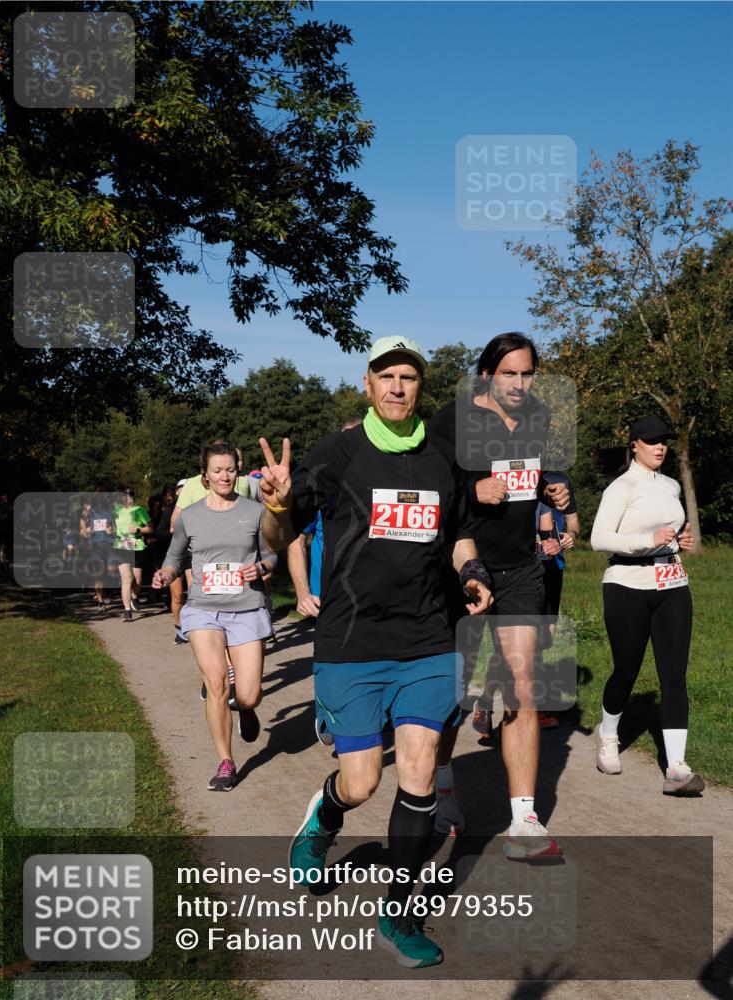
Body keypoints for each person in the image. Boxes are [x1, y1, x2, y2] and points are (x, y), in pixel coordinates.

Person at [257, 337, 492, 968]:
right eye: (385, 376)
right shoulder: (336, 455)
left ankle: (399, 910)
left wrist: (473, 575)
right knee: (362, 781)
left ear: (420, 387)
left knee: (417, 775)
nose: (396, 387)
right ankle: (325, 817)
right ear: (367, 384)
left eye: (408, 377)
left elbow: (459, 534)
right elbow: (280, 533)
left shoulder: (444, 458)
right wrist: (278, 505)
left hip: (426, 640)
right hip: (352, 642)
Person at [427, 332, 569, 852]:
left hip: (521, 569)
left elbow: (529, 477)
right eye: (509, 373)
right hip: (461, 570)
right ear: (487, 374)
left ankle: (524, 820)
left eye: (528, 373)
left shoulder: (537, 419)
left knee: (524, 688)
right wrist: (471, 490)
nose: (520, 383)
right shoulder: (453, 418)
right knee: (451, 695)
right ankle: (441, 787)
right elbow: (428, 482)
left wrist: (553, 487)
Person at [153, 442, 277, 792]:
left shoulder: (255, 512)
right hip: (203, 610)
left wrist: (263, 567)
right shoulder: (190, 517)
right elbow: (174, 559)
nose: (225, 476)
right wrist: (165, 574)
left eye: (230, 469)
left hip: (247, 608)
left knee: (248, 694)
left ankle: (248, 708)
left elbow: (271, 555)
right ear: (204, 475)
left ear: (238, 471)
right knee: (217, 684)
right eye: (217, 470)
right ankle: (226, 761)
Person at [591, 415, 703, 796]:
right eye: (652, 441)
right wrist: (647, 539)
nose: (660, 447)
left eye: (664, 441)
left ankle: (676, 767)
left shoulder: (671, 485)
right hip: (627, 585)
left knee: (674, 673)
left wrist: (677, 542)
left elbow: (669, 533)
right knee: (627, 669)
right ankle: (608, 735)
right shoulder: (621, 488)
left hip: (672, 583)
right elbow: (599, 539)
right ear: (634, 444)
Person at [286, 417, 363, 746]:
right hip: (329, 592)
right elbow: (293, 539)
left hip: (375, 593)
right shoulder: (325, 486)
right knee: (336, 655)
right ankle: (328, 712)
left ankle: (365, 715)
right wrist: (302, 592)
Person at [534, 473, 580, 727]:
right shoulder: (514, 475)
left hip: (553, 567)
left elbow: (574, 523)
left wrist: (571, 535)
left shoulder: (561, 480)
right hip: (522, 568)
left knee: (545, 636)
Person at [113, 488, 152, 622]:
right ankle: (127, 611)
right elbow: (111, 527)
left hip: (137, 547)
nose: (128, 498)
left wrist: (139, 529)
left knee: (138, 580)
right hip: (121, 546)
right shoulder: (116, 512)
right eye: (125, 496)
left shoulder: (140, 510)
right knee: (126, 579)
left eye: (131, 495)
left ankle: (134, 596)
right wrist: (109, 530)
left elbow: (150, 528)